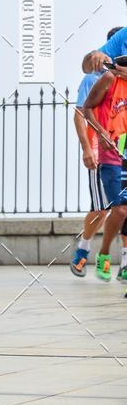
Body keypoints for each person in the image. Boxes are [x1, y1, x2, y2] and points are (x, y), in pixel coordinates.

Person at [71, 27, 125, 277]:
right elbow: (81, 113)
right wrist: (86, 148)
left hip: (121, 149)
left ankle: (123, 262)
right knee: (102, 208)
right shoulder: (95, 78)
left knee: (122, 208)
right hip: (100, 149)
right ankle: (83, 249)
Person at [81, 69, 127, 280]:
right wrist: (100, 134)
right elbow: (86, 109)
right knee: (118, 211)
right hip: (111, 154)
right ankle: (104, 252)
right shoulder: (109, 79)